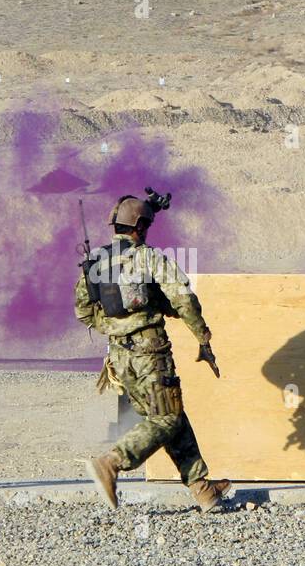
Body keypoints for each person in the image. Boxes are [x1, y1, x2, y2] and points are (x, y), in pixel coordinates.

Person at [75, 193, 228, 512]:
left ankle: (203, 489)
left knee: (170, 415)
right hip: (150, 352)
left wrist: (117, 327)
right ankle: (111, 463)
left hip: (119, 357)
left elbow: (84, 312)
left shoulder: (97, 262)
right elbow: (184, 299)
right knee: (166, 417)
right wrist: (203, 337)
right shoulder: (149, 258)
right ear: (140, 227)